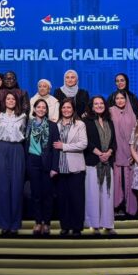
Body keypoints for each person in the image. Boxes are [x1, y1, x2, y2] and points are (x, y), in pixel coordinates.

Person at [25, 99, 61, 236]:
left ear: (46, 110)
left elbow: (56, 148)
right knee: (36, 195)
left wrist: (54, 167)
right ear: (34, 109)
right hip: (32, 162)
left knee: (47, 195)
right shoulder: (28, 124)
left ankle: (46, 223)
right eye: (38, 107)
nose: (41, 109)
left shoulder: (52, 126)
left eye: (43, 107)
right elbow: (25, 144)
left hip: (47, 163)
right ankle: (38, 222)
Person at [0, 91, 27, 236]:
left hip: (17, 149)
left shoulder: (23, 116)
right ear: (4, 100)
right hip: (2, 148)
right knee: (2, 187)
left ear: (17, 101)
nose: (11, 101)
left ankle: (15, 223)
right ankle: (3, 223)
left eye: (13, 99)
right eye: (8, 98)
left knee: (17, 186)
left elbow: (24, 132)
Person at [53, 98, 87, 236]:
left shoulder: (80, 124)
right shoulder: (56, 125)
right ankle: (65, 226)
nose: (66, 110)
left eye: (69, 107)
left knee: (76, 199)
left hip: (75, 168)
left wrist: (64, 146)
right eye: (64, 107)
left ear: (73, 109)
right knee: (63, 200)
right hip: (60, 168)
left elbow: (83, 144)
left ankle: (77, 227)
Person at [84, 96, 117, 235]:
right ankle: (94, 225)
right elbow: (86, 141)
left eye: (101, 103)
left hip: (107, 163)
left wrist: (108, 153)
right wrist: (99, 153)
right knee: (93, 195)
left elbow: (114, 142)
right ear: (91, 106)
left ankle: (108, 225)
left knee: (107, 195)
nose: (99, 105)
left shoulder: (110, 121)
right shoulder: (86, 122)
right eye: (96, 104)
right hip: (92, 162)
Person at [109, 90, 138, 217]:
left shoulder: (132, 114)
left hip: (129, 153)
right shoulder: (110, 111)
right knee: (116, 180)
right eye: (117, 98)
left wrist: (135, 153)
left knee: (129, 180)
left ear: (126, 100)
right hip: (115, 152)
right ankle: (117, 207)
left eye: (122, 98)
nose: (120, 101)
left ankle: (129, 208)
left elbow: (136, 135)